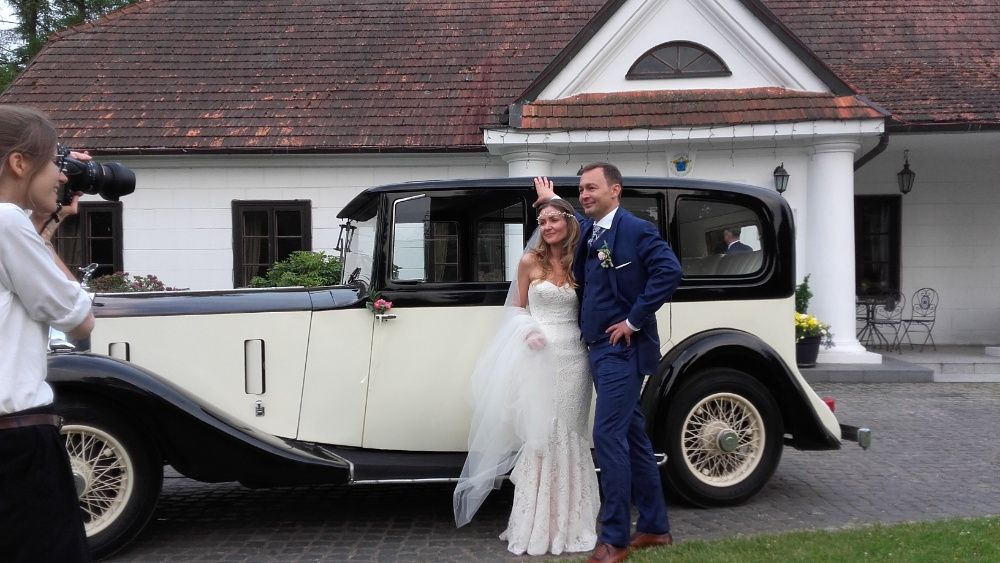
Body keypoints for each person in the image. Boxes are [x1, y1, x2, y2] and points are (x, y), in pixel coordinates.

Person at [534, 163, 682, 563]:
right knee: (633, 436)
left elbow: (669, 271)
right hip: (596, 350)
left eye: (592, 188)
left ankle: (614, 540)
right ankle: (654, 527)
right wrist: (550, 199)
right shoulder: (592, 230)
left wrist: (633, 320)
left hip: (622, 351)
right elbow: (573, 219)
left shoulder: (636, 229)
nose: (584, 194)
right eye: (581, 189)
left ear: (615, 190)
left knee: (608, 436)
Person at [454, 197, 600, 556]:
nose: (547, 226)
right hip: (540, 357)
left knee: (572, 433)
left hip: (575, 359)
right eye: (542, 221)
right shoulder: (529, 262)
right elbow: (515, 309)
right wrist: (528, 331)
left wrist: (553, 197)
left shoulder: (580, 260)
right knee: (543, 432)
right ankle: (536, 522)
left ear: (568, 222)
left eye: (553, 220)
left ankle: (572, 522)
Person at [0, 105, 95, 563]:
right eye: (55, 161)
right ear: (19, 163)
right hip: (16, 445)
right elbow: (78, 317)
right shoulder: (7, 221)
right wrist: (41, 233)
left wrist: (44, 229)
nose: (61, 176)